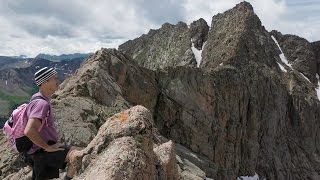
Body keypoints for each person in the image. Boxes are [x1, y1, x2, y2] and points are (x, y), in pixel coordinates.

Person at [23, 67, 81, 180]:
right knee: (77, 154)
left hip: (38, 152)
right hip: (42, 152)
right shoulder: (41, 103)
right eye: (55, 79)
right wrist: (47, 147)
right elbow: (29, 130)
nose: (58, 81)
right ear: (45, 82)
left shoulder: (36, 98)